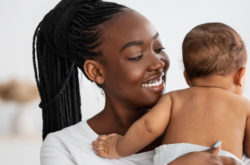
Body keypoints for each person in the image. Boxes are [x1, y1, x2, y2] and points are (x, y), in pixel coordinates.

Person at [33, 0, 246, 164]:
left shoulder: (223, 128)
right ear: (95, 70)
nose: (158, 63)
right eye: (136, 55)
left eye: (159, 49)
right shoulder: (65, 147)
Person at [92, 22, 250, 164]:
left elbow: (149, 126)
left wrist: (118, 148)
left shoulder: (174, 98)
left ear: (186, 77)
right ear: (240, 75)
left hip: (175, 159)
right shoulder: (244, 106)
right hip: (223, 159)